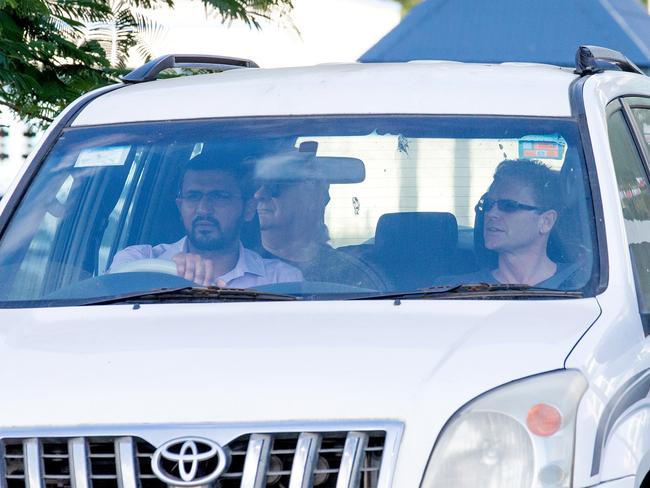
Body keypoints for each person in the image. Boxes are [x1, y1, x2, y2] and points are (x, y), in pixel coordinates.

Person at [110, 154, 303, 287]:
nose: (203, 209)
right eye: (193, 196)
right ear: (180, 206)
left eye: (219, 196)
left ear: (249, 208)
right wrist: (162, 276)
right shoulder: (138, 260)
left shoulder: (281, 280)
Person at [445, 158, 569, 288]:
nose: (490, 214)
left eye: (508, 205)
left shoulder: (581, 285)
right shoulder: (452, 291)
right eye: (488, 204)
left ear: (546, 221)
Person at [254, 178, 387, 289]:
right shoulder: (240, 267)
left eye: (275, 186)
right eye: (256, 185)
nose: (259, 194)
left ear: (311, 198)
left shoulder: (350, 273)